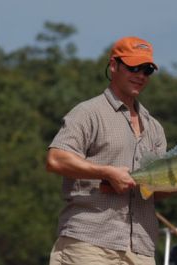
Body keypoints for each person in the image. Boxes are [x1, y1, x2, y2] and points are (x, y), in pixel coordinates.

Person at [46, 36, 167, 265]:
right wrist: (106, 172)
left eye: (147, 70)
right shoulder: (87, 112)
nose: (140, 75)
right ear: (113, 66)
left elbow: (155, 192)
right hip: (90, 243)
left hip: (141, 248)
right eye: (133, 67)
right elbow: (55, 159)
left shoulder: (154, 127)